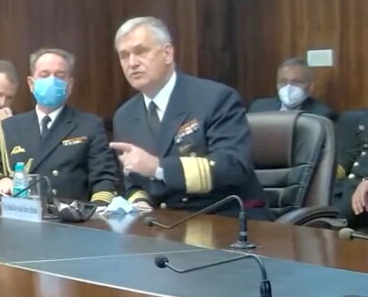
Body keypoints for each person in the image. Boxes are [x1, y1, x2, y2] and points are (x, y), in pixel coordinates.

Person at [109, 17, 269, 218]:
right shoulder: (125, 116)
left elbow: (232, 167)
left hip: (224, 217)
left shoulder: (215, 98)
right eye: (124, 56)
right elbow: (133, 181)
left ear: (167, 53)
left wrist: (158, 167)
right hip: (163, 222)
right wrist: (140, 203)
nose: (132, 63)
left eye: (141, 51)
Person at [0, 48, 117, 204]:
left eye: (60, 76)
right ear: (31, 84)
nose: (52, 81)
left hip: (69, 216)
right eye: (44, 75)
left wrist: (94, 211)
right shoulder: (7, 128)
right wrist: (0, 180)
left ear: (69, 85)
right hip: (21, 213)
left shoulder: (89, 126)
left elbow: (104, 181)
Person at [247, 57, 334, 120]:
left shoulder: (321, 114)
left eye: (296, 82)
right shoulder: (259, 108)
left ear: (310, 87)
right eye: (283, 82)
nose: (288, 87)